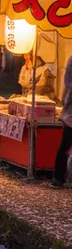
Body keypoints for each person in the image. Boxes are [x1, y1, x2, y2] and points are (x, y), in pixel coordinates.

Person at [50, 53, 72, 189]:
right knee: (65, 146)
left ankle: (59, 178)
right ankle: (58, 178)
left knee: (65, 146)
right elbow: (69, 84)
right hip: (70, 114)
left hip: (68, 113)